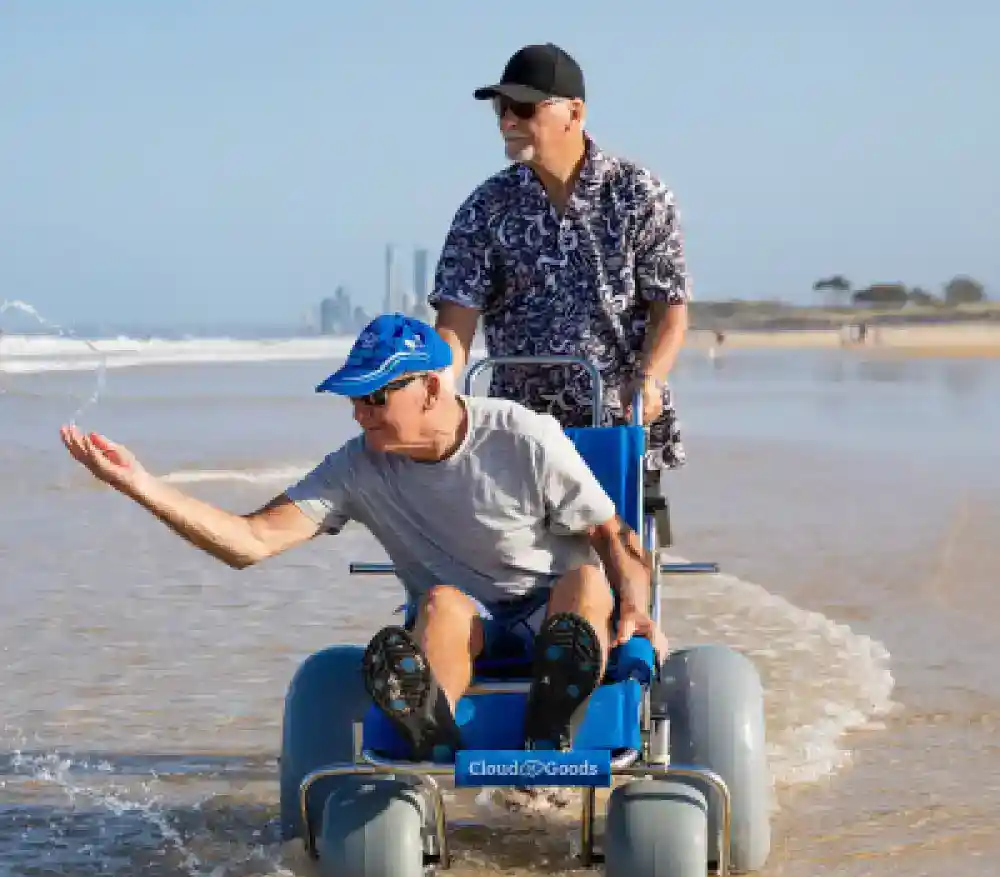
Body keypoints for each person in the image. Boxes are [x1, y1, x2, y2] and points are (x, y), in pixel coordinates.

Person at [59, 313, 663, 762]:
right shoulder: (356, 467)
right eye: (354, 398)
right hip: (464, 620)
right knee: (439, 603)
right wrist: (140, 485)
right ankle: (434, 729)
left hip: (552, 613)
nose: (361, 413)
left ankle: (551, 721)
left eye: (377, 397)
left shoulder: (523, 437)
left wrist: (636, 609)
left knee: (586, 578)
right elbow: (250, 541)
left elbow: (615, 537)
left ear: (431, 387)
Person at [429, 42, 691, 488]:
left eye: (524, 108)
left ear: (574, 111)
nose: (508, 121)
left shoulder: (638, 194)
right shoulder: (485, 207)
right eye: (501, 109)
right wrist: (434, 385)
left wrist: (650, 380)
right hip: (518, 432)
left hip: (614, 425)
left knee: (619, 554)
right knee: (516, 558)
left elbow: (670, 311)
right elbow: (456, 321)